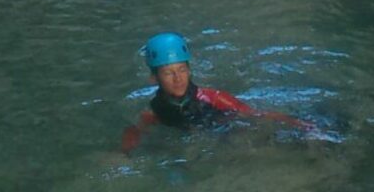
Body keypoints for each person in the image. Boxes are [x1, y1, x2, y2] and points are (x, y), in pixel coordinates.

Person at [121, 32, 325, 152]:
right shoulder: (153, 112)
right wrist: (123, 154)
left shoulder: (214, 98)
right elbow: (136, 130)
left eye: (182, 69)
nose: (178, 78)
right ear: (154, 78)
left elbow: (256, 115)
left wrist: (301, 125)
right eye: (168, 73)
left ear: (189, 70)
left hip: (231, 130)